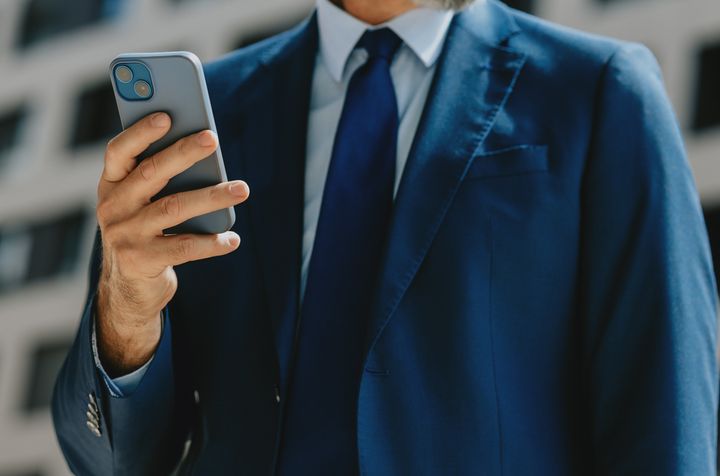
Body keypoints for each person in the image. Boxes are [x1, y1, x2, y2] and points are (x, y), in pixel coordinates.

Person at [52, 0, 718, 474]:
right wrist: (127, 307)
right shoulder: (206, 115)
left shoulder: (598, 91)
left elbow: (664, 414)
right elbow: (112, 461)